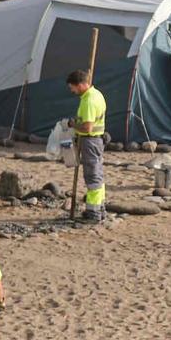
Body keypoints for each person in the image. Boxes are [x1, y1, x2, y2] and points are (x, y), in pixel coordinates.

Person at [67, 68, 107, 223]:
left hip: (90, 140)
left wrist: (72, 125)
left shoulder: (89, 100)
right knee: (97, 174)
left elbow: (87, 127)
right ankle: (100, 209)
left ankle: (93, 213)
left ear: (81, 84)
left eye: (73, 87)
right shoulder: (95, 94)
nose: (72, 90)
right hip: (95, 140)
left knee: (92, 176)